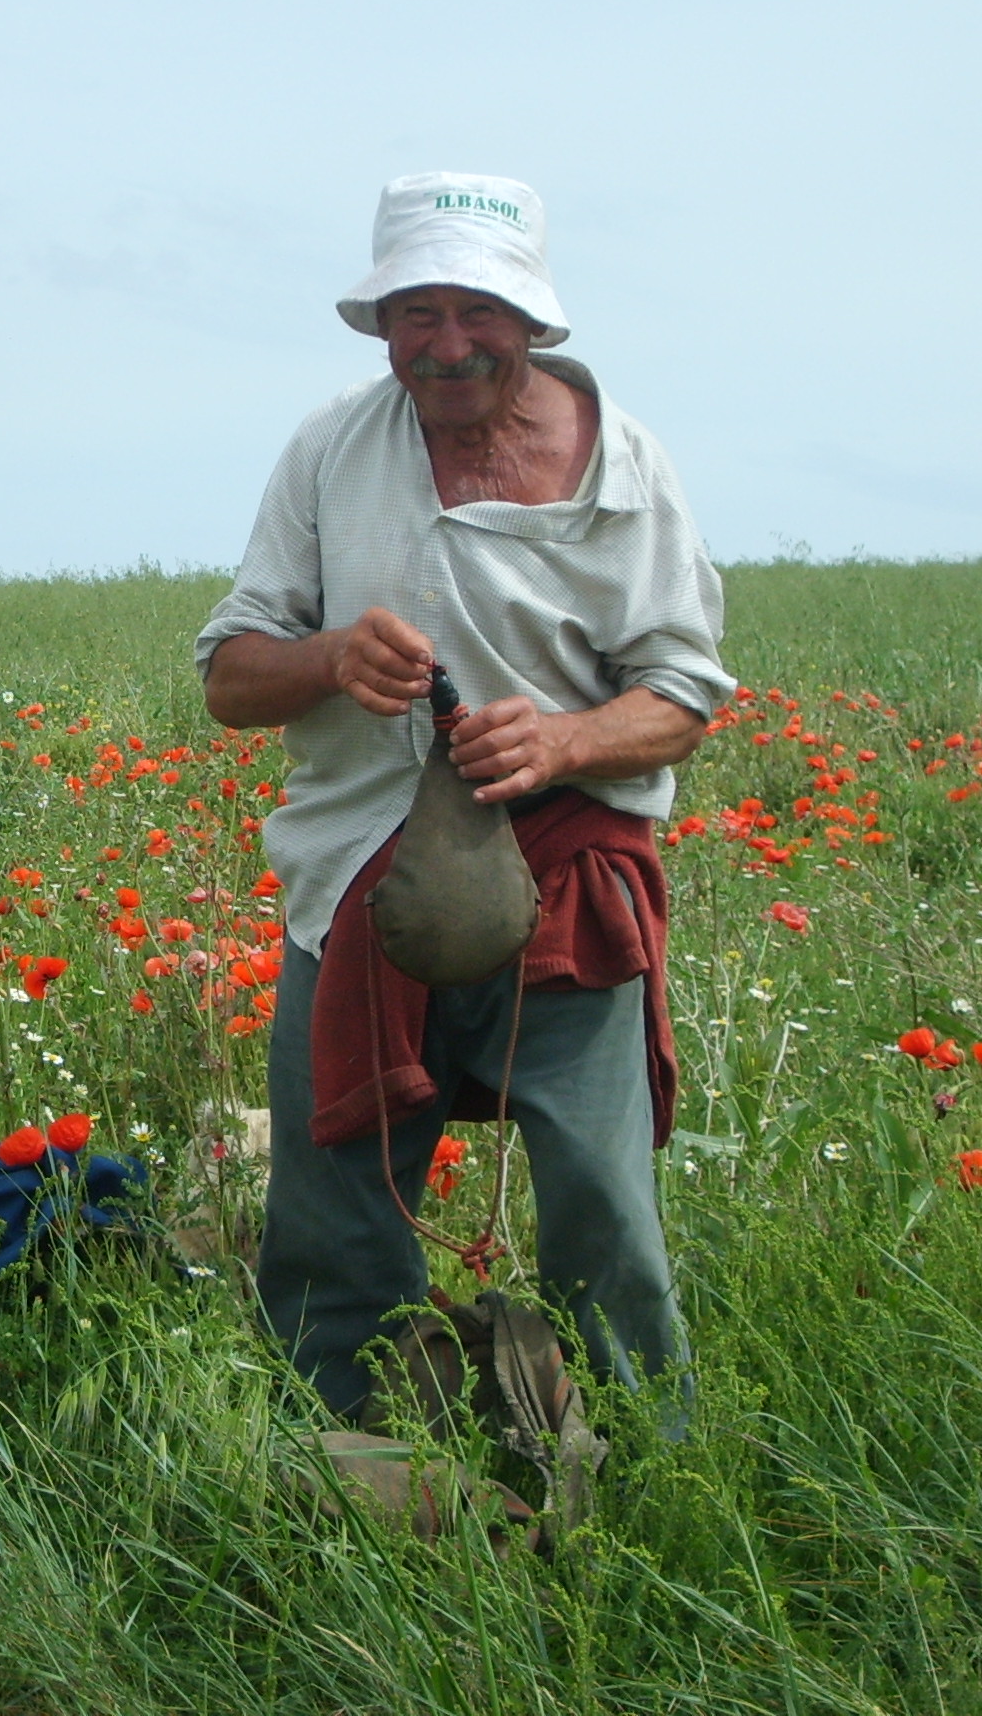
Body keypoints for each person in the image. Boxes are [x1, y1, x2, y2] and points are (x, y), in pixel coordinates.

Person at [194, 170, 732, 1422]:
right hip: (358, 885)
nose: (446, 346)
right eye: (415, 314)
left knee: (600, 1200)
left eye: (476, 313)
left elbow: (684, 692)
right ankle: (348, 1462)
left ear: (533, 321)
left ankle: (650, 1460)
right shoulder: (332, 450)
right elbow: (228, 676)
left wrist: (558, 744)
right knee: (337, 1200)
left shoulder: (624, 466)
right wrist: (327, 658)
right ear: (381, 325)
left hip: (565, 880)